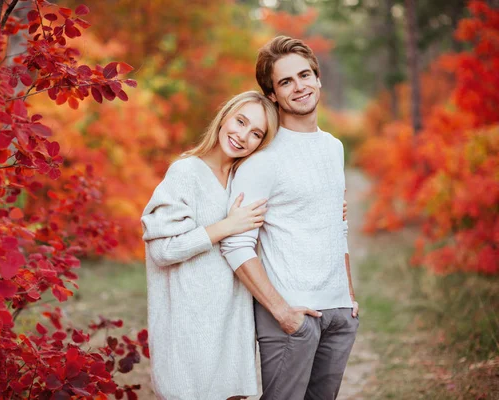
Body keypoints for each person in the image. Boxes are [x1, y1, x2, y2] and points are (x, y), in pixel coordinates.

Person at [221, 36, 359, 400]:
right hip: (291, 317)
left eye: (304, 75)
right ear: (272, 95)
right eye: (285, 82)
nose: (299, 87)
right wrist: (282, 313)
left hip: (339, 314)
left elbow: (337, 223)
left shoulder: (333, 147)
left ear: (318, 78)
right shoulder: (262, 157)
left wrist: (349, 297)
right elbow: (235, 243)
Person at [141, 91, 279, 400]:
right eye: (240, 121)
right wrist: (225, 227)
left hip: (232, 326)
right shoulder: (186, 172)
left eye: (256, 133)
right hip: (190, 330)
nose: (243, 136)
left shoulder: (243, 178)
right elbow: (162, 250)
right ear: (225, 116)